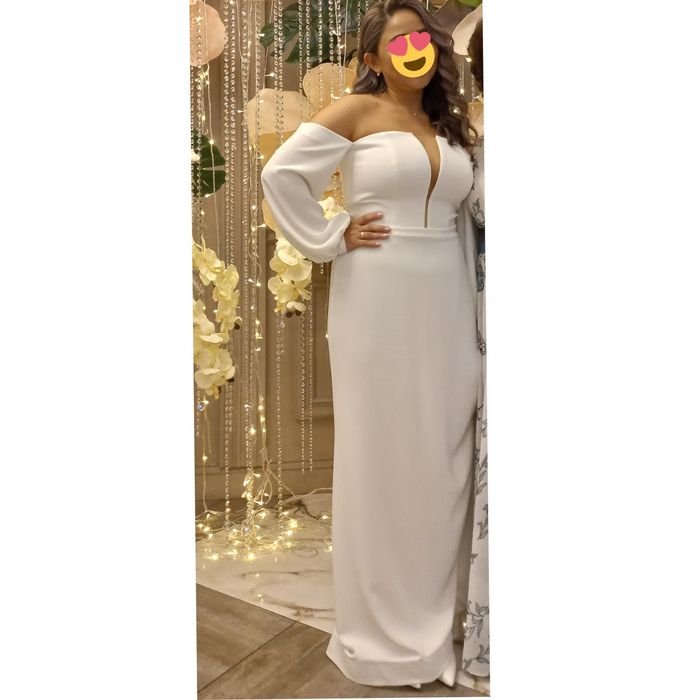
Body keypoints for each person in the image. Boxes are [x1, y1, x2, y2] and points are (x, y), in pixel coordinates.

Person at [260, 0, 483, 689]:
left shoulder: (450, 124)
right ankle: (380, 639)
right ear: (373, 58)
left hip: (448, 295)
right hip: (378, 294)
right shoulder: (357, 111)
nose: (414, 48)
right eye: (399, 40)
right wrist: (332, 235)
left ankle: (438, 625)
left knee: (444, 452)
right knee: (380, 453)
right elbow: (280, 176)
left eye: (422, 38)